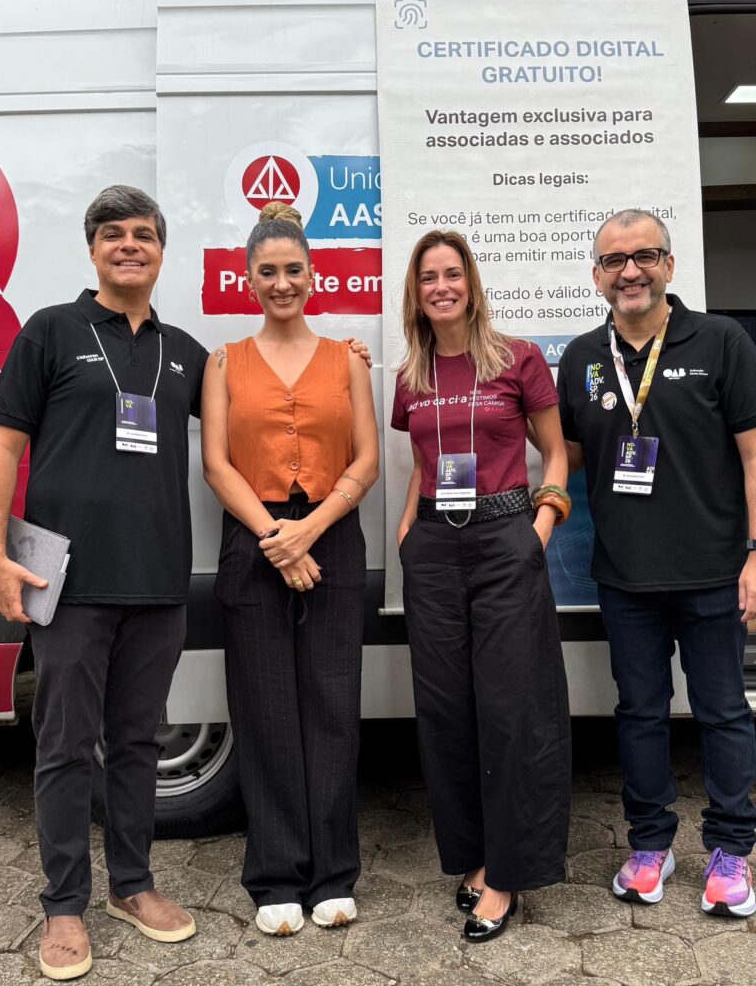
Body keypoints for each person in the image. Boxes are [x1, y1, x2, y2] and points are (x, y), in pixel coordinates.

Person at [0, 186, 204, 980]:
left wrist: (341, 359)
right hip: (67, 582)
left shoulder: (186, 352)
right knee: (64, 746)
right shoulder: (51, 331)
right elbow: (2, 445)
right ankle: (64, 905)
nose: (129, 245)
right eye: (113, 234)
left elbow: (252, 412)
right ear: (92, 250)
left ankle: (132, 886)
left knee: (138, 744)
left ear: (161, 252)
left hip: (158, 582)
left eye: (143, 234)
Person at [557, 208, 756, 917]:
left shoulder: (723, 341)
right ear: (597, 276)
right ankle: (650, 844)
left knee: (723, 713)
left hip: (713, 571)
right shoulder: (582, 358)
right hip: (625, 577)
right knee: (639, 714)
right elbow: (565, 456)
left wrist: (755, 556)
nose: (630, 271)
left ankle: (732, 848)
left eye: (644, 256)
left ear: (669, 265)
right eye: (614, 260)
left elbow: (754, 457)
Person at [201, 202, 379, 937]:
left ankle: (333, 874)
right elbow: (216, 464)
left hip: (330, 535)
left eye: (293, 270)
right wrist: (277, 535)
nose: (282, 283)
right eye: (268, 271)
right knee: (265, 708)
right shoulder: (222, 362)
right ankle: (276, 875)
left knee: (332, 707)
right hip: (255, 539)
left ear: (313, 275)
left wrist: (308, 530)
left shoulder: (348, 359)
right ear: (248, 280)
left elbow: (367, 460)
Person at [391, 229, 572, 944]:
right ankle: (473, 856)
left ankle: (507, 874)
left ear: (470, 283)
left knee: (511, 709)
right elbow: (421, 460)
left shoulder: (517, 358)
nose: (441, 287)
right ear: (416, 293)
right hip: (435, 546)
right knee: (446, 710)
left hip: (504, 539)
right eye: (428, 277)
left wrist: (540, 526)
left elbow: (555, 450)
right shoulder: (412, 375)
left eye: (452, 274)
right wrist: (408, 531)